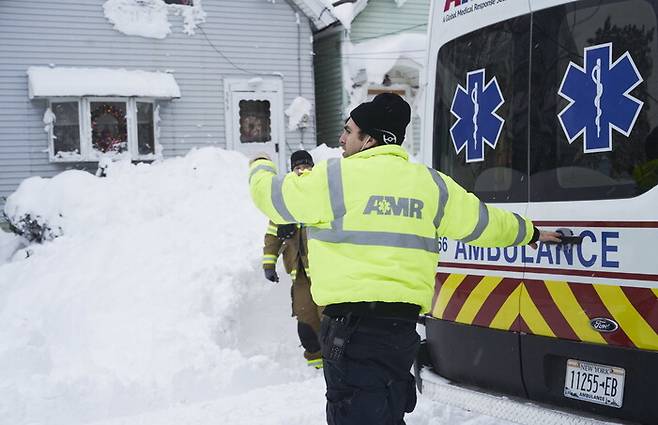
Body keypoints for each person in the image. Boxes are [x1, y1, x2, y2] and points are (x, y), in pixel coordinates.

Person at [248, 93, 561, 425]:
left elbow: (272, 197)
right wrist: (529, 233)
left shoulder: (333, 178)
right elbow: (482, 223)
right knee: (386, 412)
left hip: (351, 330)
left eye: (348, 130)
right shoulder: (430, 184)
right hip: (399, 332)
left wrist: (260, 164)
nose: (341, 139)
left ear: (369, 138)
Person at [261, 150, 324, 368]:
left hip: (324, 269)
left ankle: (336, 362)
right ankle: (316, 363)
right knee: (306, 317)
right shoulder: (285, 197)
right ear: (292, 169)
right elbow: (271, 234)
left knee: (329, 317)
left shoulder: (322, 192)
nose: (302, 169)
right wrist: (269, 264)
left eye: (306, 165)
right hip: (299, 273)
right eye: (298, 166)